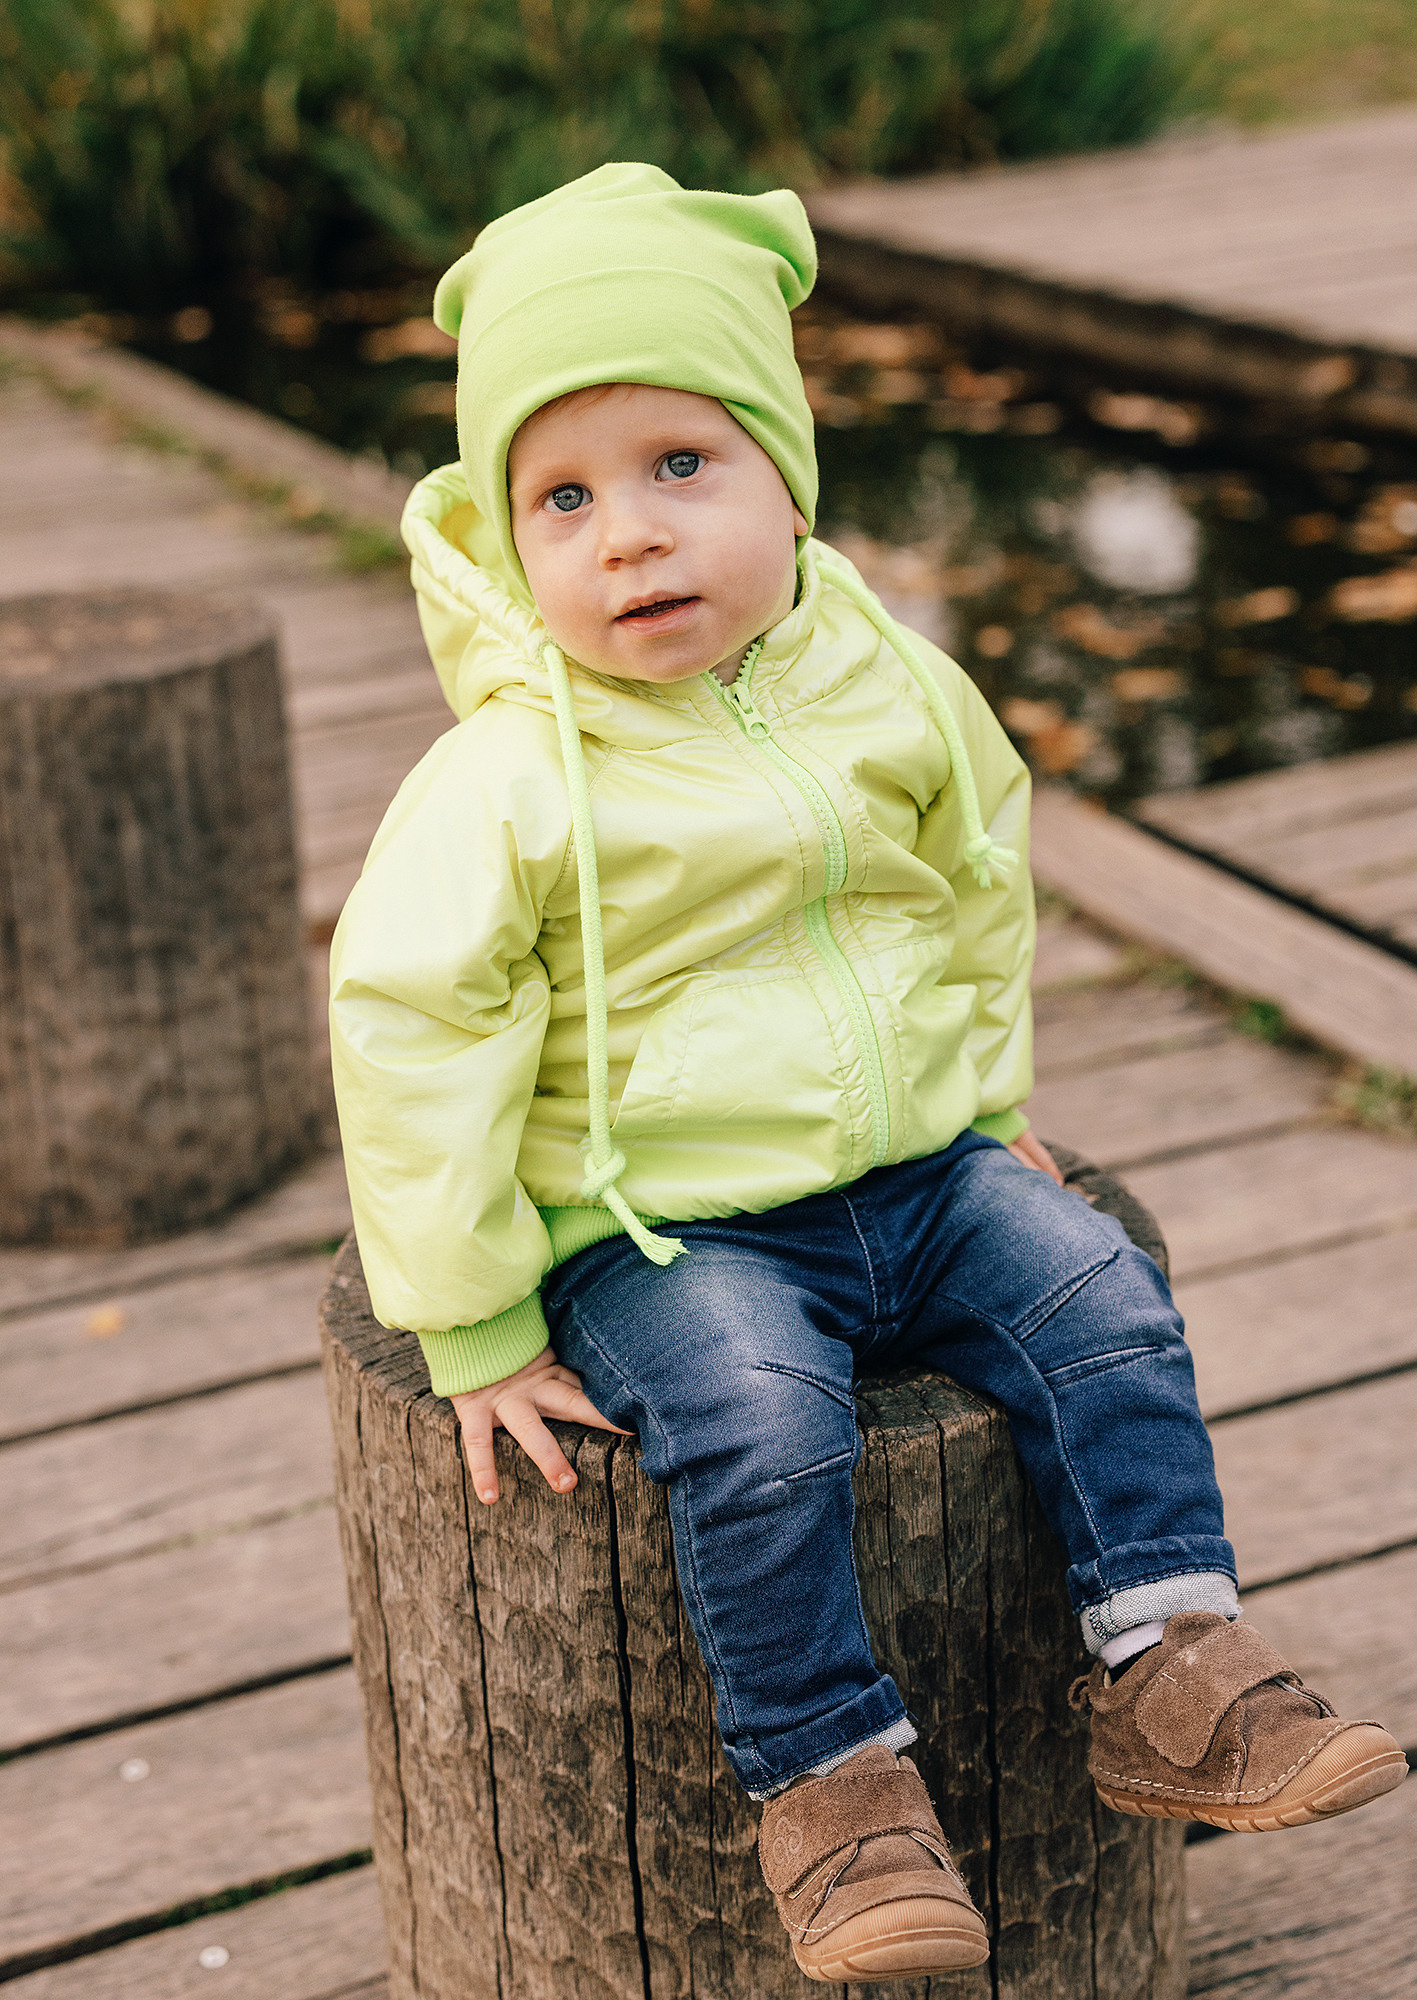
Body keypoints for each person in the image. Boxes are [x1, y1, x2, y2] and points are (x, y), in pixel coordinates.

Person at [328, 164, 1407, 1984]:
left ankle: (1164, 1660)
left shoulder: (887, 681)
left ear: (786, 476)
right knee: (758, 1426)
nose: (631, 537)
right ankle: (828, 1784)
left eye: (685, 467)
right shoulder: (506, 779)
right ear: (506, 535)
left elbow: (977, 876)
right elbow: (412, 1023)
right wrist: (473, 1321)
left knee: (1098, 1291)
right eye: (564, 497)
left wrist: (983, 1101)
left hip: (909, 1164)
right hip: (665, 1226)